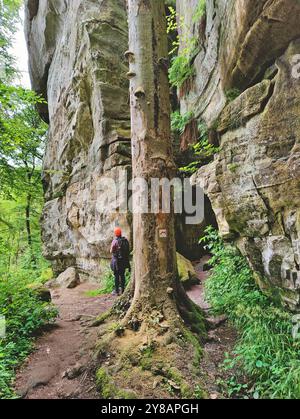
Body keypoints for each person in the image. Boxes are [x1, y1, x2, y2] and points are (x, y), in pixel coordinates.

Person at [110, 227, 130, 296]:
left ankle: (117, 291)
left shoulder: (115, 241)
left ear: (115, 234)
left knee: (116, 276)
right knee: (122, 275)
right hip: (123, 261)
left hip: (117, 262)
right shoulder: (125, 240)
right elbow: (128, 251)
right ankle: (123, 290)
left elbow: (111, 251)